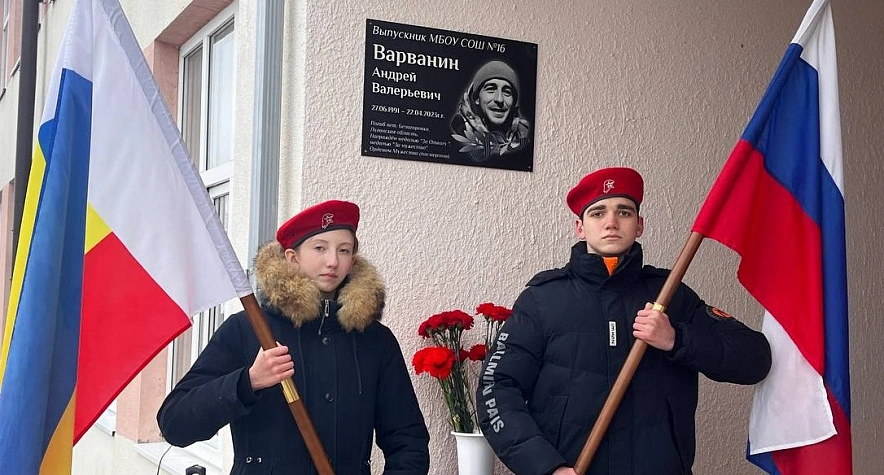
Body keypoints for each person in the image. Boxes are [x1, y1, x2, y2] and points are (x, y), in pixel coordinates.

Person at [477, 168, 772, 475]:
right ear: (580, 228)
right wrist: (545, 467)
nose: (611, 222)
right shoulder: (542, 300)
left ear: (639, 225)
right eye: (597, 213)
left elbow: (756, 359)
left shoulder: (671, 295)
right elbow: (496, 388)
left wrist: (677, 340)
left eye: (624, 212)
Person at [157, 200, 430, 474]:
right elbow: (175, 424)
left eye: (344, 250)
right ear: (292, 257)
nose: (333, 261)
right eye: (320, 248)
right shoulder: (247, 330)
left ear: (353, 260)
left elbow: (408, 440)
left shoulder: (375, 341)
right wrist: (248, 382)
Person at [450, 60, 531, 162]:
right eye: (491, 89)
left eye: (507, 92)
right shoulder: (458, 134)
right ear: (477, 99)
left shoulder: (524, 134)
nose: (499, 99)